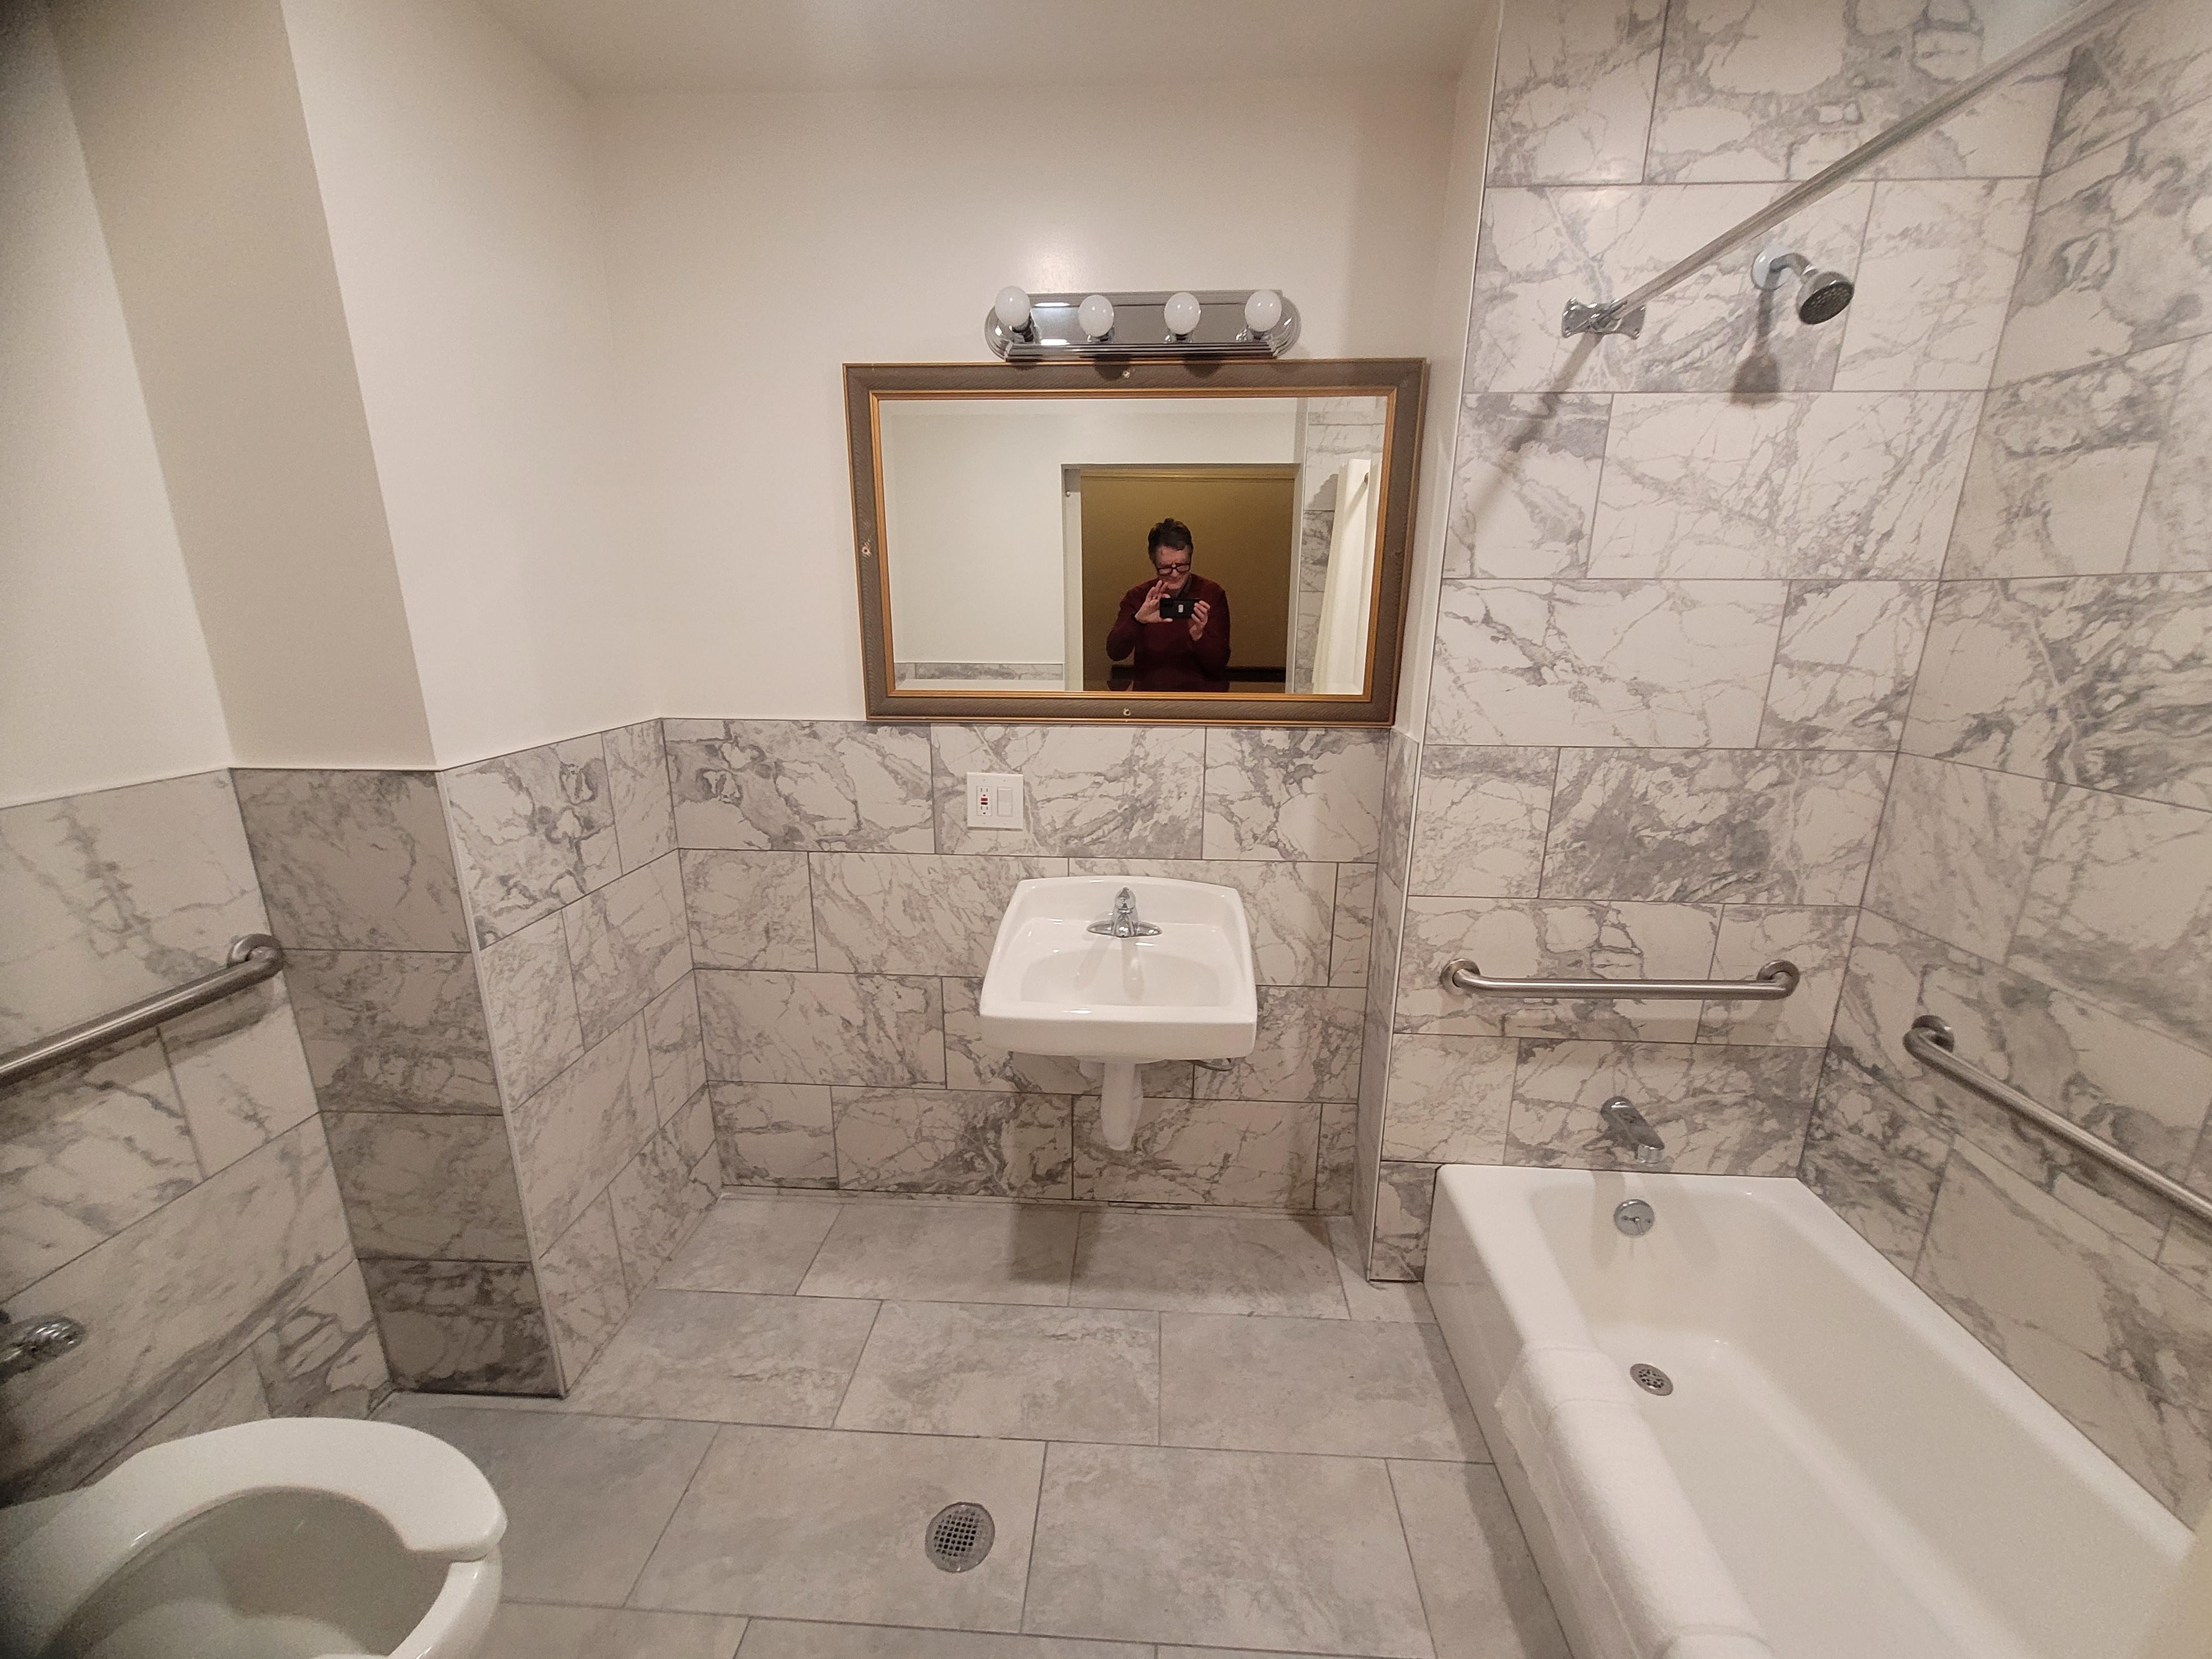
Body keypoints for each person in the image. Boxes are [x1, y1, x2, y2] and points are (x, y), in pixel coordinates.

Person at [1104, 518, 1232, 692]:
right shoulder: (1139, 596)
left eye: (1182, 565)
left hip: (1201, 699)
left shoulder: (1211, 594)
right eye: (1165, 567)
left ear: (1190, 557)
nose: (1174, 574)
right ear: (1154, 562)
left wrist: (1199, 636)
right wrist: (1138, 621)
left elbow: (1219, 664)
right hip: (1151, 699)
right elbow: (1115, 652)